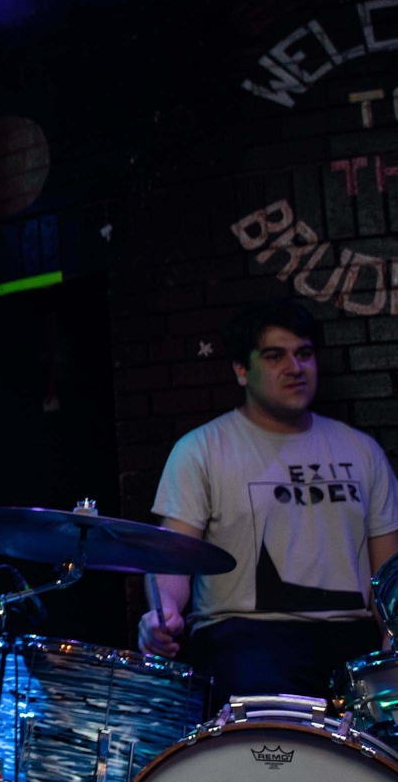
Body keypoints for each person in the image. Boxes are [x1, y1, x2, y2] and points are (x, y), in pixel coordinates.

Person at [139, 298, 398, 706]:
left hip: (351, 635)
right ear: (242, 371)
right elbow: (172, 559)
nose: (295, 368)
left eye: (305, 354)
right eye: (275, 356)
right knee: (276, 743)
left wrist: (392, 634)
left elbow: (387, 575)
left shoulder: (362, 451)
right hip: (246, 635)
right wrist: (163, 612)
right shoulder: (201, 450)